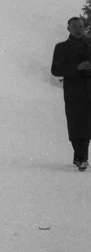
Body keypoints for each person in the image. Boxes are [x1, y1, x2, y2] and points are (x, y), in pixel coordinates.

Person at [50, 17, 91, 171]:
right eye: (74, 27)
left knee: (88, 125)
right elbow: (55, 70)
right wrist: (76, 68)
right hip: (74, 91)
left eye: (80, 26)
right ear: (68, 29)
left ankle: (81, 157)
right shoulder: (61, 47)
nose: (78, 29)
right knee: (76, 125)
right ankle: (81, 157)